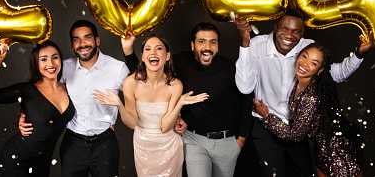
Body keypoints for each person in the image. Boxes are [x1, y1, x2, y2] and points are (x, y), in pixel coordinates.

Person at [234, 8, 375, 176]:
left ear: (302, 33)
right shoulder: (257, 45)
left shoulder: (308, 48)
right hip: (266, 129)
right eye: (284, 28)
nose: (289, 36)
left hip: (299, 129)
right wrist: (245, 42)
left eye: (296, 31)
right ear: (276, 27)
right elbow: (245, 87)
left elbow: (334, 74)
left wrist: (359, 53)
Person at [123, 23, 253, 177]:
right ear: (192, 45)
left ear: (218, 46)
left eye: (213, 42)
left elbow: (246, 100)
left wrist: (241, 139)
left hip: (227, 141)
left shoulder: (229, 67)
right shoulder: (181, 62)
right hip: (194, 140)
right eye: (201, 41)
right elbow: (147, 72)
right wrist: (128, 50)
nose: (207, 47)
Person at [19, 20, 130, 177]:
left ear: (97, 40)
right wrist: (24, 116)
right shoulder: (63, 68)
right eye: (77, 39)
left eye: (87, 37)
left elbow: (141, 94)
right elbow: (40, 92)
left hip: (105, 145)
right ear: (72, 45)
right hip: (73, 145)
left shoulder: (118, 69)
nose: (82, 44)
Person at [94, 34, 209, 177]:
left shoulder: (175, 85)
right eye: (148, 49)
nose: (153, 52)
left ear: (167, 56)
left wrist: (180, 103)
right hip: (143, 146)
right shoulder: (131, 83)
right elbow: (131, 123)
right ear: (142, 56)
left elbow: (166, 126)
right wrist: (119, 105)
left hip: (170, 146)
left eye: (158, 48)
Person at [253, 43, 364, 177]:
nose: (305, 64)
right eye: (304, 56)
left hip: (337, 148)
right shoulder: (300, 82)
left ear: (321, 70)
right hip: (322, 147)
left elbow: (295, 134)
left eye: (313, 63)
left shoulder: (311, 96)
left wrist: (267, 116)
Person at [0, 41, 75, 176]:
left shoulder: (69, 87)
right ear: (36, 64)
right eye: (43, 59)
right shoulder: (28, 90)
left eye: (55, 57)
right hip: (17, 159)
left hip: (43, 162)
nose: (51, 64)